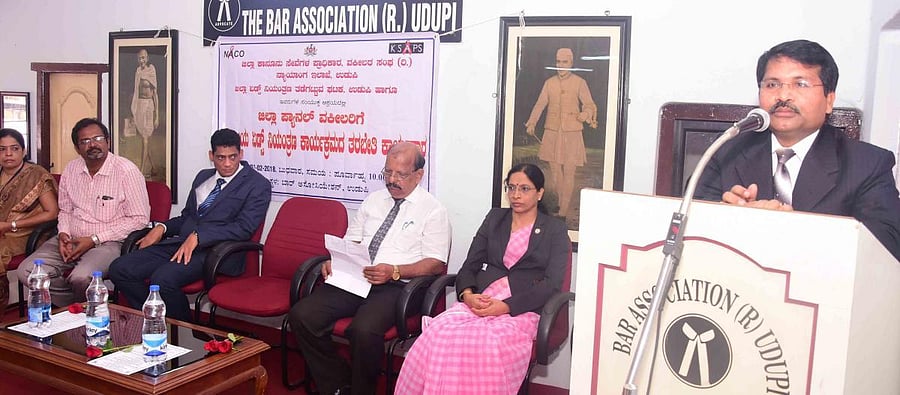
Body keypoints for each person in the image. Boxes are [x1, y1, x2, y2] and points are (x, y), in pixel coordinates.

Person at [695, 39, 900, 261]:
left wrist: (794, 229)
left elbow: (886, 248)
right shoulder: (725, 150)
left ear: (829, 100)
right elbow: (686, 226)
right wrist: (726, 216)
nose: (783, 97)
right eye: (772, 84)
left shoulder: (868, 164)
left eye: (800, 84)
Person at [287, 142, 451, 395]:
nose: (392, 180)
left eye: (401, 174)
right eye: (388, 172)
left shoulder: (433, 210)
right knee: (303, 315)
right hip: (356, 276)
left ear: (419, 175)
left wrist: (394, 270)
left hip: (397, 286)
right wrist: (337, 260)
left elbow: (435, 263)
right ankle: (338, 383)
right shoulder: (373, 200)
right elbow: (351, 239)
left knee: (363, 330)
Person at [395, 163, 570, 395]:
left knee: (483, 343)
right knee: (439, 333)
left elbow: (552, 284)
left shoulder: (555, 230)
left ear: (540, 193)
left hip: (522, 307)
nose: (516, 195)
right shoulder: (495, 218)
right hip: (481, 299)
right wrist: (467, 295)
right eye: (512, 187)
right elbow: (470, 265)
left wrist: (505, 307)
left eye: (525, 189)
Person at [109, 128, 271, 322]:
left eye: (232, 157)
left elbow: (244, 228)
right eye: (221, 158)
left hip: (216, 252)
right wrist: (162, 228)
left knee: (163, 279)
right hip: (181, 243)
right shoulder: (203, 177)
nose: (227, 164)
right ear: (211, 156)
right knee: (120, 268)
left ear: (241, 154)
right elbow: (187, 217)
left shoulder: (257, 184)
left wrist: (199, 236)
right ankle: (154, 319)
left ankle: (185, 329)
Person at [16, 118, 149, 306]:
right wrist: (63, 234)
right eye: (85, 141)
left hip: (107, 243)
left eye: (97, 138)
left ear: (108, 141)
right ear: (77, 148)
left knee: (81, 278)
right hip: (70, 239)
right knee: (27, 272)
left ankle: (82, 311)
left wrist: (93, 240)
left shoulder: (126, 171)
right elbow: (65, 210)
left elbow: (139, 220)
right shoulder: (71, 169)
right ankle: (77, 305)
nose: (92, 144)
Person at [525, 47, 598, 220]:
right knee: (556, 173)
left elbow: (589, 104)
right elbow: (540, 104)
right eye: (558, 61)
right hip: (552, 131)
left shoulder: (579, 82)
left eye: (565, 62)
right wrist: (532, 122)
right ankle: (558, 206)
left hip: (572, 132)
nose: (561, 65)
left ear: (571, 63)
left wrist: (585, 114)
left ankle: (563, 212)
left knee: (569, 172)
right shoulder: (549, 83)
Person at [0, 129, 59, 319]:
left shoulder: (36, 175)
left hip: (25, 232)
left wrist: (12, 225)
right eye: (2, 149)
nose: (8, 154)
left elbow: (52, 213)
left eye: (14, 148)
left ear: (24, 151)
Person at [131, 48, 159, 177]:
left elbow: (155, 95)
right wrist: (135, 108)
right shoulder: (137, 72)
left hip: (149, 106)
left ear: (147, 58)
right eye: (139, 58)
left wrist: (157, 115)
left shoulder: (151, 70)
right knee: (145, 138)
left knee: (145, 139)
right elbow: (136, 91)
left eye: (144, 58)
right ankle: (153, 167)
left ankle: (141, 170)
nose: (141, 60)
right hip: (140, 105)